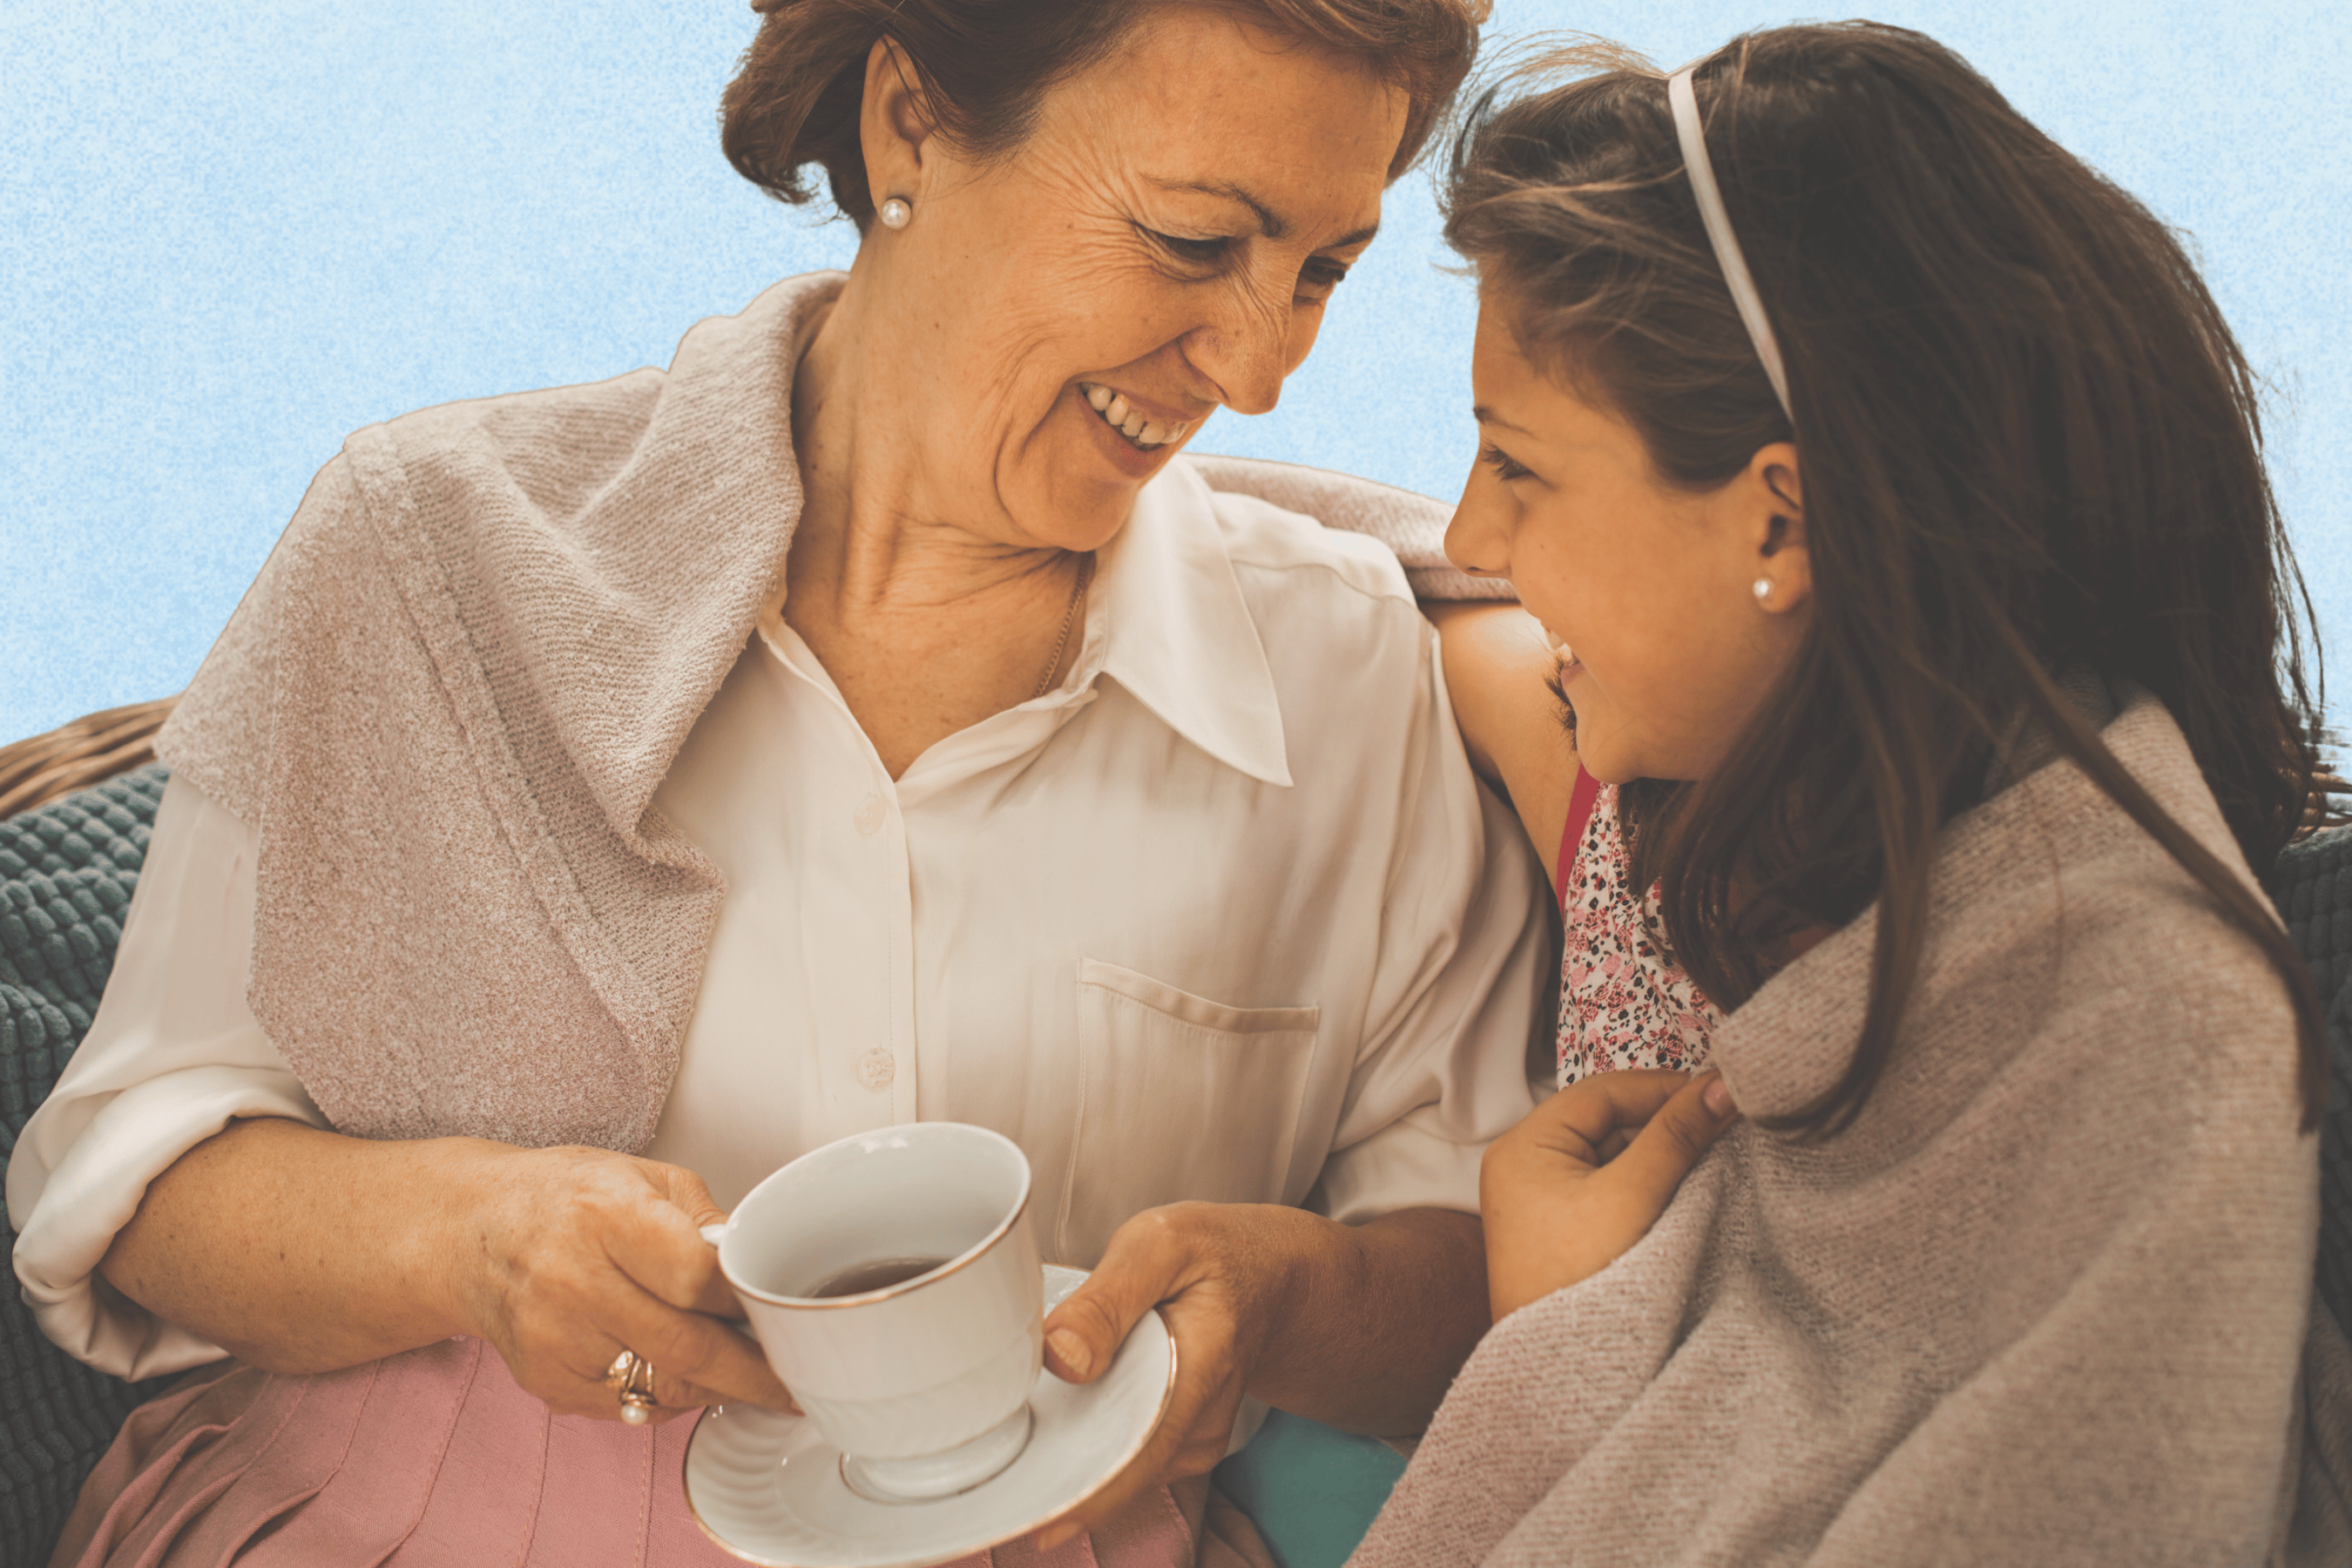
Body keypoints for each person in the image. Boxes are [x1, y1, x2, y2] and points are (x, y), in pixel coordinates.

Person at [5, 3, 1555, 1563]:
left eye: (1322, 272)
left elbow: (1497, 1275)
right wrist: (470, 1238)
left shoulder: (1349, 671)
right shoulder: (434, 554)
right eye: (1192, 240)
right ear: (911, 129)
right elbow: (131, 1188)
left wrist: (1289, 1301)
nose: (1259, 367)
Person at [1362, 23, 2352, 1564]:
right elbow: (1401, 584)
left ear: (1782, 519)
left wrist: (1561, 1342)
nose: (1476, 532)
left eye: (1519, 465)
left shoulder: (2151, 1043)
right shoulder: (1775, 822)